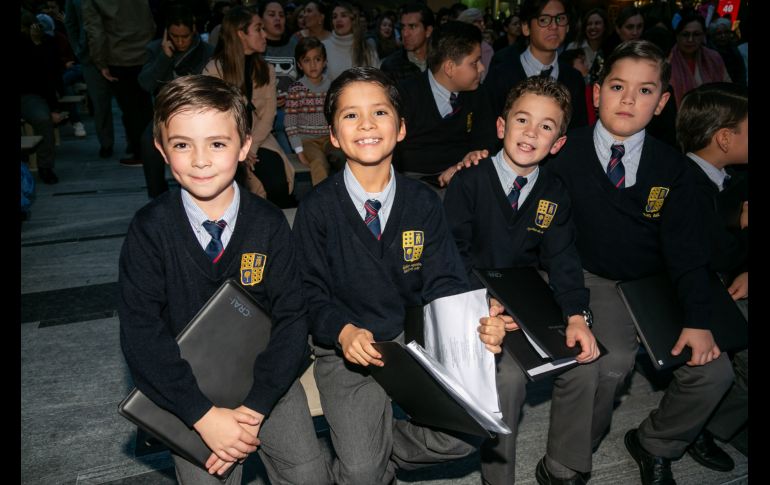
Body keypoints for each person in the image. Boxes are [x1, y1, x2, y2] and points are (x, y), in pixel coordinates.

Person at [292, 66, 505, 485]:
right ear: (333, 135)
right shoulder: (317, 209)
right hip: (346, 350)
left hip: (410, 343)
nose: (367, 124)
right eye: (350, 115)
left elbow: (446, 280)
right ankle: (365, 462)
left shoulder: (423, 201)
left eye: (380, 112)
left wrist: (479, 319)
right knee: (361, 471)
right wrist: (341, 331)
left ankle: (373, 454)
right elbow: (308, 292)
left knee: (466, 435)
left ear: (401, 128)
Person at [118, 74, 332, 485]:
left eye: (217, 143)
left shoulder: (268, 223)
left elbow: (292, 316)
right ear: (162, 149)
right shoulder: (150, 230)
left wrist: (256, 406)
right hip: (187, 390)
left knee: (309, 475)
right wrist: (202, 416)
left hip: (266, 379)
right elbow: (142, 334)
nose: (200, 160)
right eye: (183, 145)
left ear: (244, 146)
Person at [544, 40, 734, 485]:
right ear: (596, 93)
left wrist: (697, 319)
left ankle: (655, 442)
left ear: (662, 102)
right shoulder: (563, 152)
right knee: (609, 364)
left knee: (714, 371)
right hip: (593, 275)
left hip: (655, 278)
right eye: (617, 86)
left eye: (645, 90)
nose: (628, 99)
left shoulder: (673, 168)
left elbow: (688, 253)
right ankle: (569, 460)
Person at [443, 75, 600, 485]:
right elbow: (451, 254)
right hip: (471, 296)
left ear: (557, 144)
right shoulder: (469, 180)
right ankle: (498, 478)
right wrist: (480, 302)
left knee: (583, 362)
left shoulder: (554, 192)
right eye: (522, 120)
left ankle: (562, 465)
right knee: (508, 379)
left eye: (546, 127)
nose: (531, 132)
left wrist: (576, 314)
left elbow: (563, 257)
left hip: (524, 294)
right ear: (502, 126)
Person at [676, 82, 748, 473]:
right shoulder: (684, 184)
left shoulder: (733, 177)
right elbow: (708, 255)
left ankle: (719, 422)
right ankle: (701, 425)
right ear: (724, 138)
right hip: (695, 293)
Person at [203, 6, 296, 208]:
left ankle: (282, 222)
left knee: (277, 182)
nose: (264, 34)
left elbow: (269, 114)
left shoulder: (265, 69)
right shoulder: (214, 71)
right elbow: (212, 118)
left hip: (258, 138)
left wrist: (250, 147)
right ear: (241, 34)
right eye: (258, 29)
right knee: (237, 185)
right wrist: (238, 147)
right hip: (225, 141)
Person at [394, 21, 497, 189]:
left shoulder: (478, 94)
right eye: (475, 62)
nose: (481, 68)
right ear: (449, 68)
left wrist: (466, 164)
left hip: (464, 178)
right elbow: (395, 155)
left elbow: (487, 143)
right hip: (412, 184)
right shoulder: (405, 95)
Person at [138, 8, 214, 198]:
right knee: (148, 143)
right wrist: (164, 57)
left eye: (184, 36)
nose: (180, 41)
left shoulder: (207, 52)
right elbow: (146, 84)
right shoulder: (156, 49)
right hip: (166, 114)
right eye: (174, 36)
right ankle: (157, 197)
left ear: (193, 30)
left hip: (200, 114)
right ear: (167, 33)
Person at [484, 0, 588, 136]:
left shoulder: (573, 79)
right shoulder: (500, 75)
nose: (554, 26)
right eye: (544, 20)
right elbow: (487, 131)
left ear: (567, 26)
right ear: (526, 27)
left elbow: (578, 133)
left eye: (560, 19)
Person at [285, 36, 337, 185]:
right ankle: (321, 197)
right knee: (318, 162)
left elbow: (337, 116)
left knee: (341, 157)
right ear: (300, 65)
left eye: (317, 59)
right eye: (307, 60)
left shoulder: (332, 87)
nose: (313, 65)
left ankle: (343, 193)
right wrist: (299, 150)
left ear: (325, 61)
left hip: (330, 139)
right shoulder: (296, 90)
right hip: (307, 141)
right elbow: (290, 123)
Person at [261, 0, 299, 155]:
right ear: (261, 20)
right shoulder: (256, 47)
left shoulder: (295, 44)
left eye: (281, 15)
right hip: (263, 116)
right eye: (272, 15)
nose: (277, 18)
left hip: (294, 113)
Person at [669, 13, 731, 108]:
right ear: (677, 36)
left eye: (696, 34)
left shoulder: (714, 58)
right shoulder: (667, 60)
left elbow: (727, 88)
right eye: (685, 35)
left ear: (703, 36)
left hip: (713, 112)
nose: (690, 40)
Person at [322, 1, 379, 81]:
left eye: (343, 15)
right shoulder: (322, 47)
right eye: (334, 17)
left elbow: (376, 81)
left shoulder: (367, 49)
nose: (338, 20)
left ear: (353, 20)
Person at [379, 2, 434, 82]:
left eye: (412, 27)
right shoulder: (390, 67)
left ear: (428, 31)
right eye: (403, 27)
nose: (405, 33)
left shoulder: (441, 62)